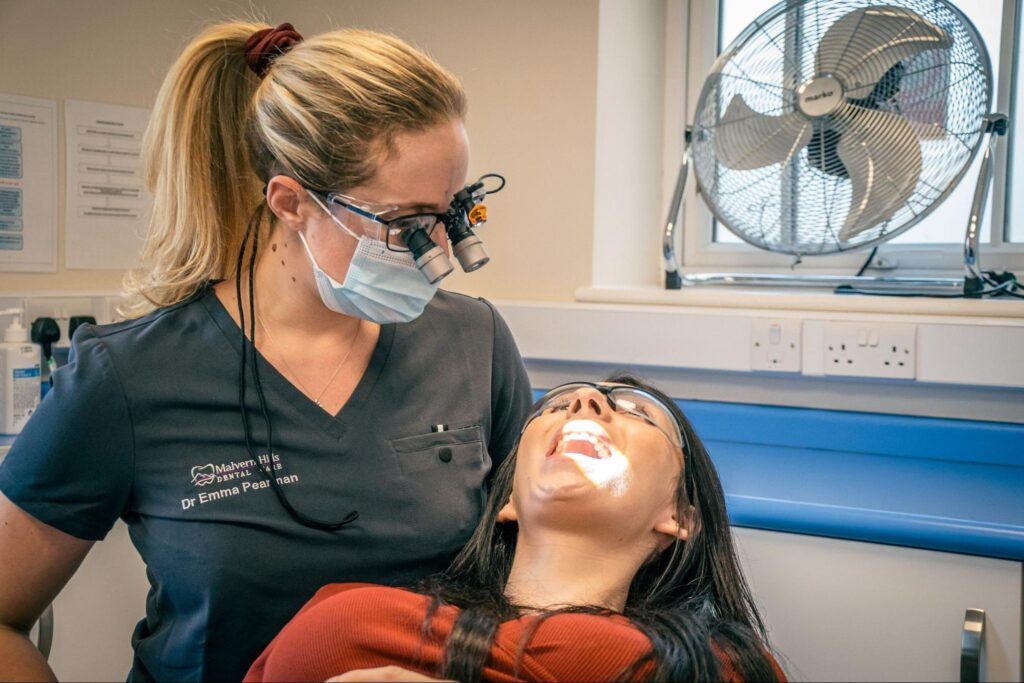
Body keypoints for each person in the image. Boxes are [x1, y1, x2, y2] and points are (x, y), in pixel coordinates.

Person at [0, 20, 532, 682]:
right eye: (407, 227)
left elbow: (537, 580)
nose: (442, 255)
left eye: (455, 214)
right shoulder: (127, 377)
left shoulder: (472, 342)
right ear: (292, 203)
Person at [245, 376, 786, 682]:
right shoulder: (354, 621)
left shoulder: (719, 669)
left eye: (636, 411)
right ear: (506, 502)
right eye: (555, 405)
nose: (585, 402)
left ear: (680, 516)